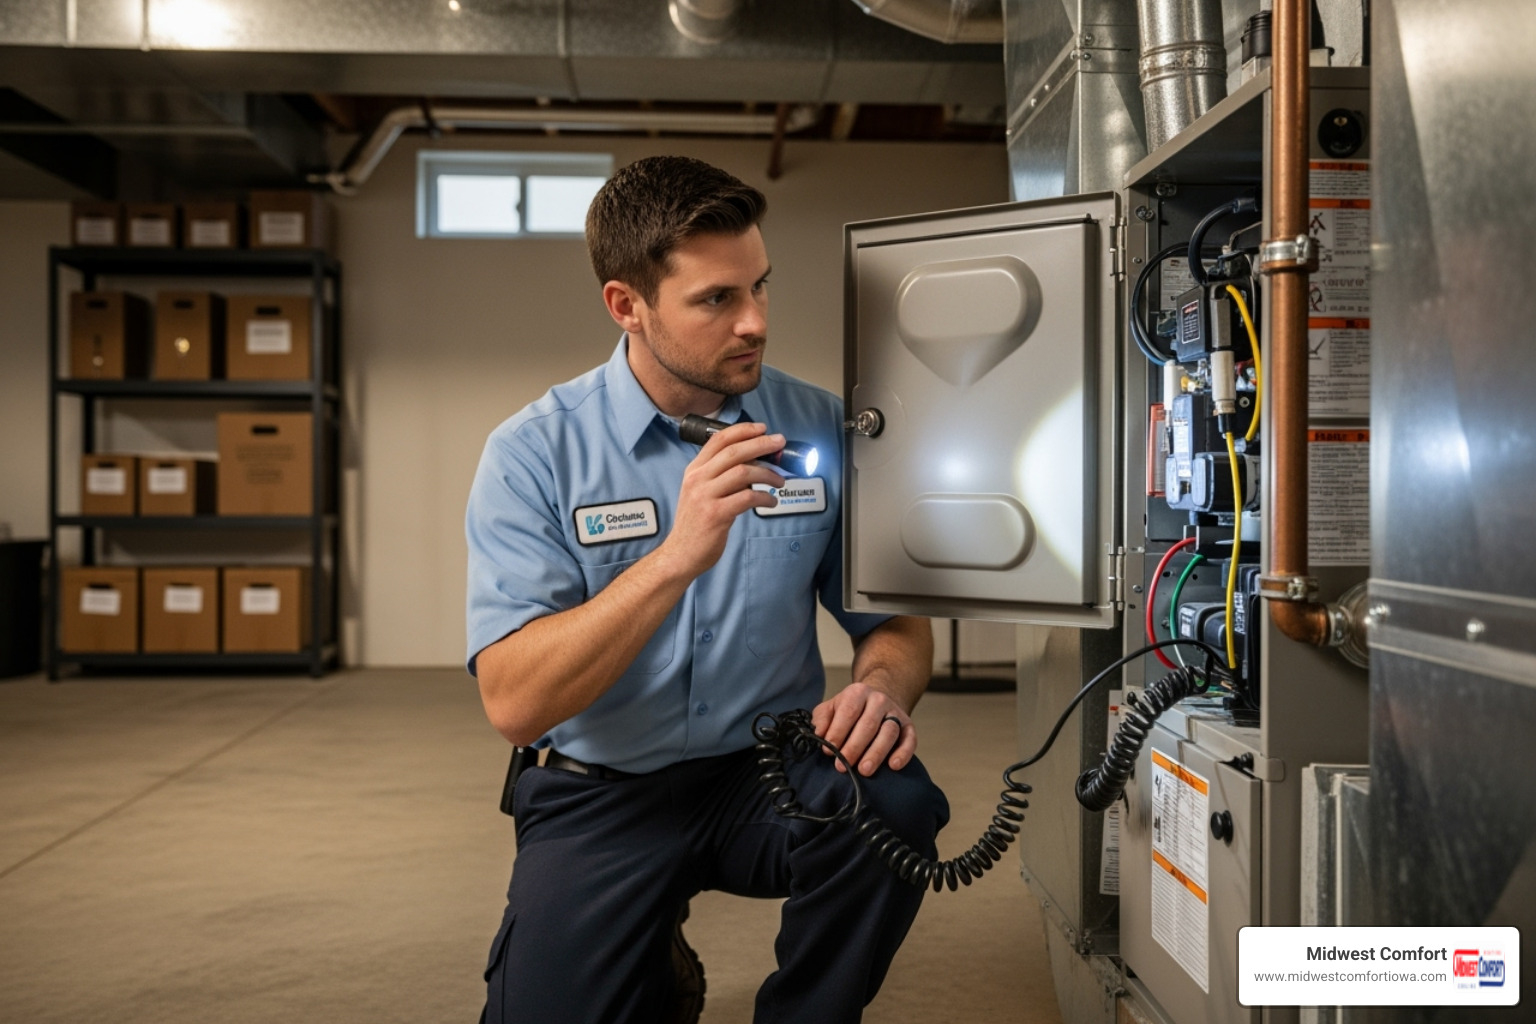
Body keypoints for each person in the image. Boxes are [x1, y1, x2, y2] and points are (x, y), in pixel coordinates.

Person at [465, 155, 947, 1024]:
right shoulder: (533, 453)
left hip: (762, 774)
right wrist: (675, 555)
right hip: (600, 792)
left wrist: (879, 689)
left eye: (760, 286)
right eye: (717, 300)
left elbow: (897, 623)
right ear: (627, 306)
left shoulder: (819, 430)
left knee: (897, 799)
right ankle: (650, 958)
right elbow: (515, 703)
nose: (755, 321)